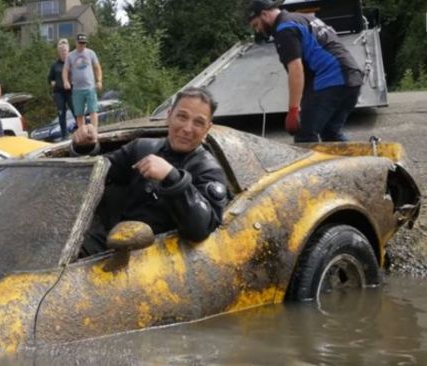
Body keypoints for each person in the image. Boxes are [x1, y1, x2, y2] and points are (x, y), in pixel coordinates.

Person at [72, 87, 228, 255]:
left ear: (207, 128)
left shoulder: (209, 170)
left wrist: (172, 177)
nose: (187, 128)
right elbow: (95, 173)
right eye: (182, 117)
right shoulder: (142, 147)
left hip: (164, 257)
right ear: (169, 116)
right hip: (113, 243)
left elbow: (201, 229)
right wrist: (84, 147)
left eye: (198, 122)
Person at [247, 0, 363, 142]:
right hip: (352, 77)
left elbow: (296, 69)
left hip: (332, 80)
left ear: (264, 14)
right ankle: (363, 162)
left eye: (256, 24)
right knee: (330, 133)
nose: (258, 30)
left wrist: (293, 110)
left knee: (304, 136)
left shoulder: (284, 28)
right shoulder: (304, 18)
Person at [62, 33, 103, 130]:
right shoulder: (70, 56)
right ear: (76, 43)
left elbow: (97, 68)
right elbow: (65, 70)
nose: (82, 45)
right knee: (79, 113)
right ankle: (82, 131)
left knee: (93, 110)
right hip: (77, 89)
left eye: (84, 43)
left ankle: (94, 130)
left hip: (90, 87)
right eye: (80, 43)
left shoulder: (91, 53)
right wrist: (65, 81)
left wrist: (99, 80)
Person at [48, 39, 74, 140]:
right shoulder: (55, 65)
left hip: (71, 91)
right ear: (59, 52)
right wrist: (52, 82)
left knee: (75, 110)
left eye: (65, 50)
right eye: (62, 51)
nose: (64, 52)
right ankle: (64, 135)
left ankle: (81, 129)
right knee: (61, 113)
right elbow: (50, 78)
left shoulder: (72, 62)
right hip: (59, 92)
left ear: (68, 51)